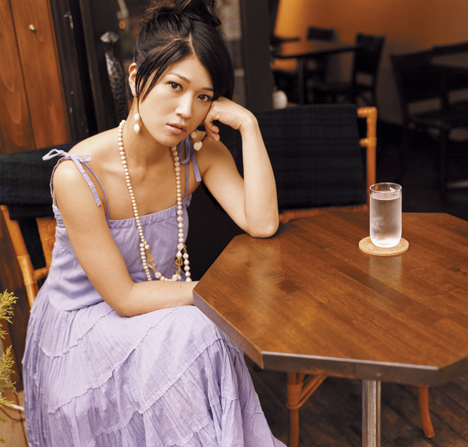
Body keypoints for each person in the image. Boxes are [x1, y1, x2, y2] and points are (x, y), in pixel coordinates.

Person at [22, 0, 283, 445]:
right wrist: (218, 297)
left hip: (163, 313)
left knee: (197, 331)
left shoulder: (196, 154)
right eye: (174, 86)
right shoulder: (78, 174)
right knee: (200, 330)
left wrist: (249, 125)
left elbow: (261, 222)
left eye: (203, 97)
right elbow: (123, 297)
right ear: (136, 78)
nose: (185, 110)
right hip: (86, 327)